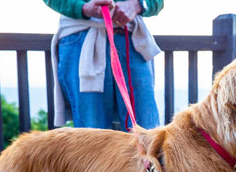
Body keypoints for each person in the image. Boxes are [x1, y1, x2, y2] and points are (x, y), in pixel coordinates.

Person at [44, 0, 164, 130]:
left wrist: (137, 4)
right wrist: (82, 8)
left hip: (131, 40)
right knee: (92, 135)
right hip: (81, 40)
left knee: (146, 131)